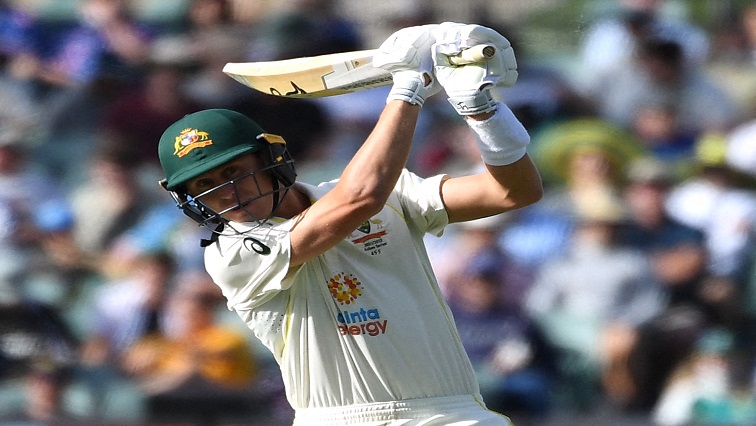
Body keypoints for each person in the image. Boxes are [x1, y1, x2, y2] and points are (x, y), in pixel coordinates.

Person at [156, 22, 541, 426]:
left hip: (454, 413)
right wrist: (410, 87)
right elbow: (359, 199)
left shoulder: (391, 194)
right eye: (204, 185)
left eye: (233, 172)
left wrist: (481, 110)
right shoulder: (231, 252)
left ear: (270, 159)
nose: (225, 193)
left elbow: (513, 192)